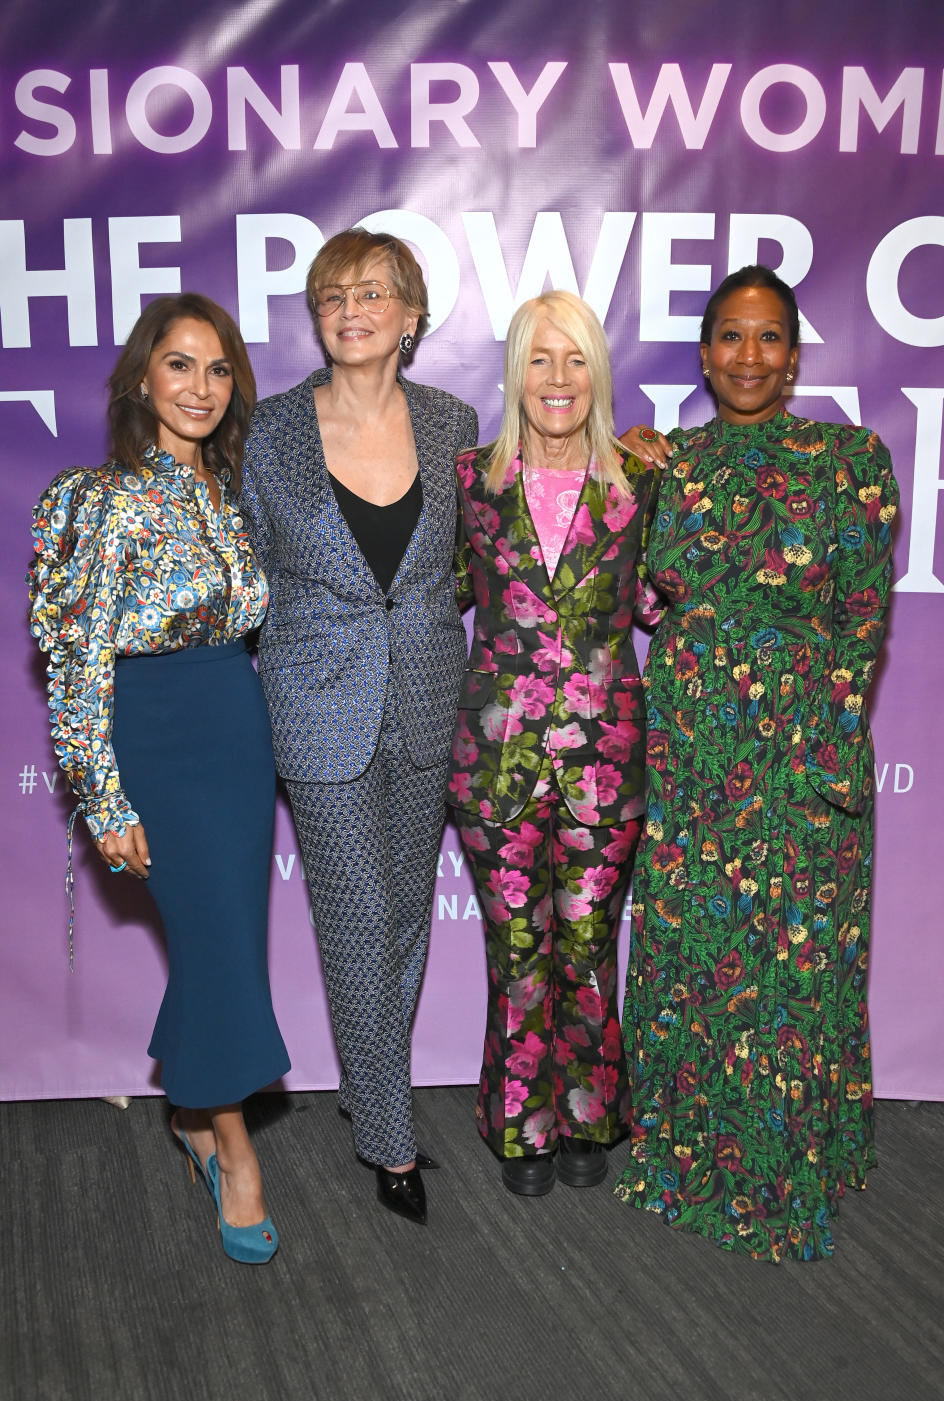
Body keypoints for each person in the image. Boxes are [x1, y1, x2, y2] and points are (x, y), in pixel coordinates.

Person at [615, 265, 898, 1261]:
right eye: (729, 336)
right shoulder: (663, 463)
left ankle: (790, 1161)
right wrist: (625, 475)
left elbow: (864, 618)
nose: (747, 356)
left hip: (798, 752)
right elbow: (635, 604)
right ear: (702, 353)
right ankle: (684, 1153)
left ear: (793, 352)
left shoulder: (849, 459)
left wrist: (831, 743)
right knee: (691, 950)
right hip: (692, 745)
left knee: (791, 960)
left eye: (768, 337)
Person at [28, 294, 290, 1264]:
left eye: (219, 370)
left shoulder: (228, 495)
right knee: (219, 947)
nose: (201, 387)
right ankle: (231, 1149)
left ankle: (190, 1110)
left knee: (226, 946)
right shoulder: (94, 499)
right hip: (154, 736)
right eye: (180, 365)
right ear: (145, 377)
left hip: (235, 726)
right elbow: (76, 658)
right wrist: (105, 795)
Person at [241, 229, 478, 1226]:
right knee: (353, 918)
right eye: (333, 293)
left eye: (373, 292)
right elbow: (245, 567)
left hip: (426, 695)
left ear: (411, 316)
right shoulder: (272, 431)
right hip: (316, 702)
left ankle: (369, 1084)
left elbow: (472, 561)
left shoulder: (453, 420)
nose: (351, 308)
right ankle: (387, 1136)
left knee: (406, 918)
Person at [450, 291, 660, 1196]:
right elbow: (431, 592)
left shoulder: (642, 480)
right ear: (515, 374)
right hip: (494, 761)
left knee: (585, 942)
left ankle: (588, 1115)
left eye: (576, 360)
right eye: (540, 359)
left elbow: (660, 601)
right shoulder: (468, 480)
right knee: (518, 951)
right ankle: (520, 1124)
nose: (559, 380)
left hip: (604, 765)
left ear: (598, 375)